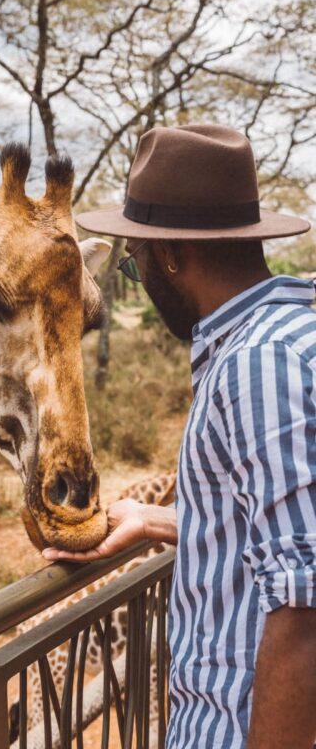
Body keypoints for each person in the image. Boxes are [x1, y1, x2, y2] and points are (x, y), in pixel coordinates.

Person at [42, 125, 316, 749]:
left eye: (135, 264)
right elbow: (288, 526)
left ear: (168, 255)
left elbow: (305, 605)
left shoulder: (258, 363)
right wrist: (161, 520)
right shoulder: (296, 338)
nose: (142, 277)